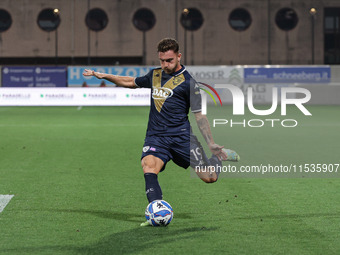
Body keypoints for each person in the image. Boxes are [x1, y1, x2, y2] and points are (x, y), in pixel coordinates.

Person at [83, 38, 240, 226]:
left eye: (169, 60)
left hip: (182, 138)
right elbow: (130, 81)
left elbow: (200, 116)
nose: (165, 65)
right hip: (156, 137)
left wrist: (211, 144)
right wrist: (103, 75)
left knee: (209, 178)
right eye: (162, 60)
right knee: (149, 167)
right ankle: (157, 212)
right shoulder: (155, 75)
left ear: (179, 56)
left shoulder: (189, 83)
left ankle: (219, 158)